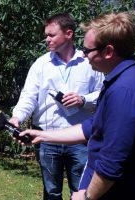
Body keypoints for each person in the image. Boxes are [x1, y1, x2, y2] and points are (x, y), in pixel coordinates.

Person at [18, 12, 135, 200]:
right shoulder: (121, 81)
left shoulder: (125, 92)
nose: (85, 56)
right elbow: (93, 126)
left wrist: (86, 197)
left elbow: (111, 163)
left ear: (108, 52)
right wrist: (43, 135)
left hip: (125, 191)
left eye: (87, 51)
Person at [9, 13, 104, 199]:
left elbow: (103, 93)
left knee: (81, 191)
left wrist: (83, 100)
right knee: (51, 192)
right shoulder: (41, 65)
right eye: (46, 35)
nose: (47, 39)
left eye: (51, 35)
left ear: (68, 34)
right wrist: (17, 117)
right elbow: (29, 96)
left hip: (80, 140)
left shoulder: (88, 62)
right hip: (47, 138)